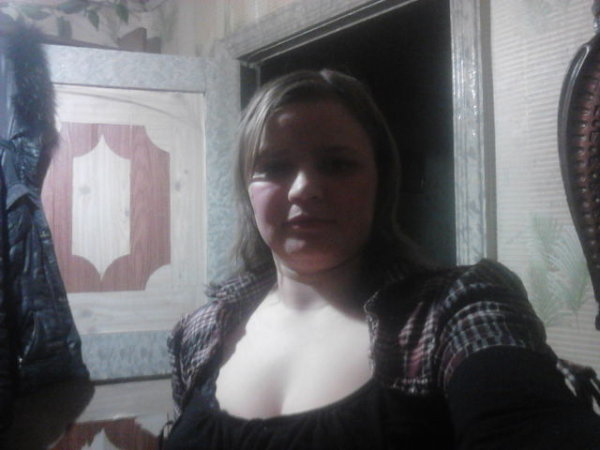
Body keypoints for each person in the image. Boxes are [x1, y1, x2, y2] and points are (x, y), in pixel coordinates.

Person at [163, 69, 600, 449]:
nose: (303, 189)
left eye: (337, 164)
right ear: (246, 191)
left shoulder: (456, 309)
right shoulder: (200, 333)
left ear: (381, 181)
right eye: (274, 167)